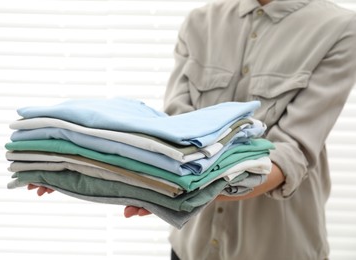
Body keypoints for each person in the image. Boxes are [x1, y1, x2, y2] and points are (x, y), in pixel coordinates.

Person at [30, 0, 356, 259]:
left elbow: (290, 155)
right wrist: (75, 167)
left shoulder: (340, 28)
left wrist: (172, 188)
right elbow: (175, 138)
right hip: (190, 248)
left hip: (278, 249)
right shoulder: (201, 22)